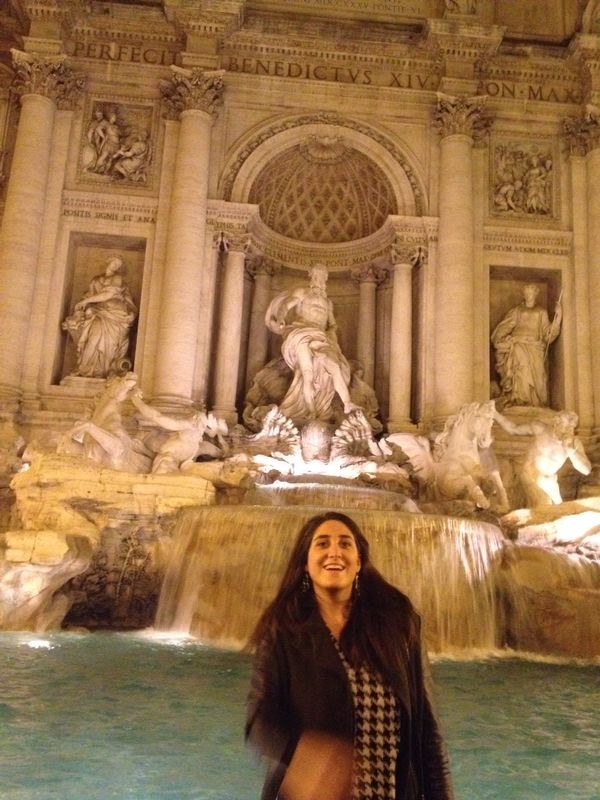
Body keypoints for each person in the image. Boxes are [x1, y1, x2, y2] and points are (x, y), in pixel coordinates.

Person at [246, 511, 454, 800]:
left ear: (359, 562)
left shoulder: (398, 624)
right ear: (305, 563)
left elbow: (426, 730)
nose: (334, 551)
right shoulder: (283, 630)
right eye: (322, 544)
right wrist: (304, 752)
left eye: (345, 544)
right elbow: (259, 722)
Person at [265, 265, 357, 425]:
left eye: (322, 277)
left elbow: (332, 325)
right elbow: (286, 306)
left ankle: (347, 403)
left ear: (326, 280)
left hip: (321, 337)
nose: (319, 280)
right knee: (307, 374)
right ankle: (312, 412)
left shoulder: (328, 303)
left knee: (334, 367)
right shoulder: (303, 292)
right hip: (301, 332)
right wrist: (280, 318)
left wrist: (333, 337)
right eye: (316, 276)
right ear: (311, 277)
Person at [494, 409, 591, 505]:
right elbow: (513, 429)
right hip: (529, 475)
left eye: (568, 426)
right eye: (559, 421)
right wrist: (495, 413)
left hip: (548, 482)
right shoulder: (540, 428)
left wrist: (572, 453)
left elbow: (586, 470)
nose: (564, 428)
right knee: (543, 504)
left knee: (559, 510)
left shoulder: (573, 443)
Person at [63, 255, 137, 378]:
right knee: (93, 338)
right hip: (97, 313)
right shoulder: (96, 280)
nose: (116, 266)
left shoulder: (117, 278)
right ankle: (85, 369)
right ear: (108, 262)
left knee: (110, 344)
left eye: (119, 265)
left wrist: (85, 302)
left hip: (117, 316)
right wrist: (82, 306)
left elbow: (109, 294)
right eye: (114, 262)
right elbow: (88, 296)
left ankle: (106, 371)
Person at [491, 283, 561, 408]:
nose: (529, 295)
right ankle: (520, 400)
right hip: (518, 344)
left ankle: (536, 403)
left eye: (531, 292)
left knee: (539, 375)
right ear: (524, 294)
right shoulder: (517, 311)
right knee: (521, 370)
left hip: (535, 346)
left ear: (536, 294)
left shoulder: (541, 312)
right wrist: (499, 338)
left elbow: (547, 334)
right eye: (527, 292)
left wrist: (558, 316)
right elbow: (506, 325)